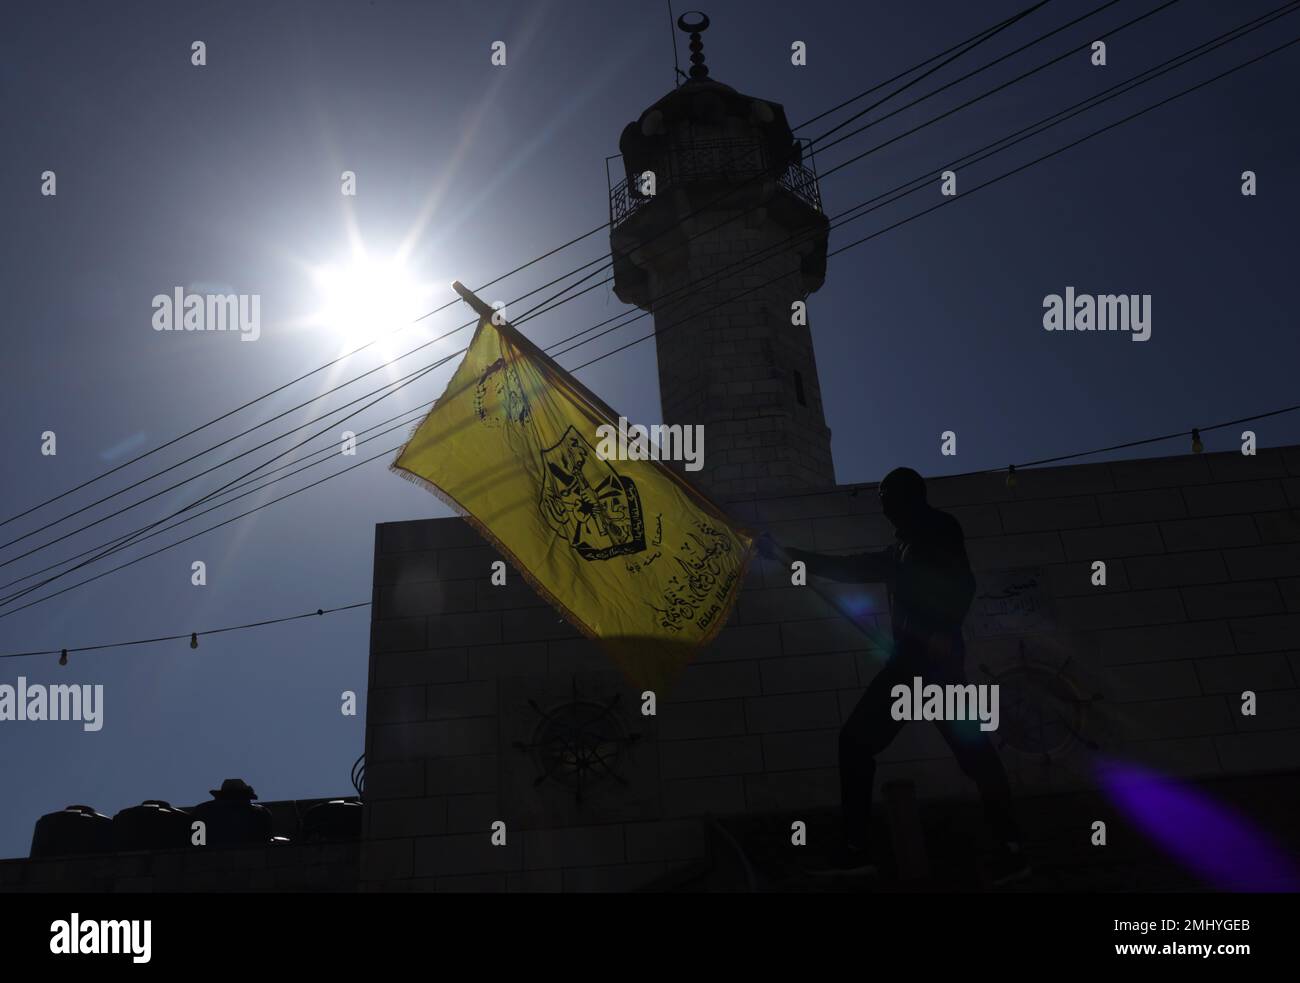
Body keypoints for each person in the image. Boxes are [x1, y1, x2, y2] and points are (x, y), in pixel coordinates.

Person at [757, 467, 1030, 886]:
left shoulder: (940, 527)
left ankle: (1012, 848)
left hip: (935, 667)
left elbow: (964, 582)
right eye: (881, 498)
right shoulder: (896, 550)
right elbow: (847, 567)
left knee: (973, 755)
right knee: (857, 744)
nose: (882, 505)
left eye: (887, 496)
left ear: (910, 496)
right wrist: (785, 553)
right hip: (907, 667)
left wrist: (944, 627)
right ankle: (856, 850)